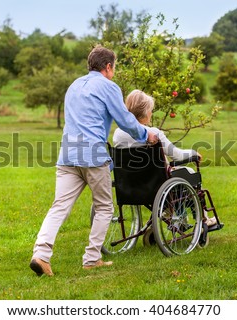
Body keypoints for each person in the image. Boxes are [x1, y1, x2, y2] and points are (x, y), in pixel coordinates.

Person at [30, 46, 158, 276]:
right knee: (104, 207)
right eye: (114, 68)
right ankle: (91, 258)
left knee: (59, 207)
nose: (114, 72)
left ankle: (41, 254)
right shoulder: (108, 86)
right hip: (92, 155)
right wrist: (145, 134)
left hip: (67, 155)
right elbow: (126, 120)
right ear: (108, 67)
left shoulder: (74, 86)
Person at [113, 89, 217, 226]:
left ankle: (176, 215)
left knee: (175, 175)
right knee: (189, 173)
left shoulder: (118, 134)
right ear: (145, 112)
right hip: (156, 183)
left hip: (130, 184)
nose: (151, 113)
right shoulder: (153, 133)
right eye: (150, 110)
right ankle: (203, 218)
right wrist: (193, 153)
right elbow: (177, 154)